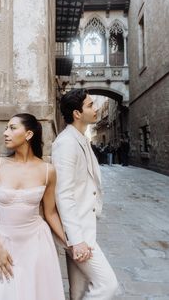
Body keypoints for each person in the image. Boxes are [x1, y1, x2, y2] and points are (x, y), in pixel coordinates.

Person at [0, 113, 66, 300]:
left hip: (37, 243)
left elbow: (50, 213)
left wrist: (70, 243)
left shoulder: (47, 171)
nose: (5, 133)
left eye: (12, 128)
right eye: (5, 128)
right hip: (3, 243)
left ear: (28, 134)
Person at [52, 89, 118, 300]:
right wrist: (76, 240)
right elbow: (63, 194)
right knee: (107, 285)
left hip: (84, 228)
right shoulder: (66, 143)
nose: (96, 108)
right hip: (78, 234)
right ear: (77, 113)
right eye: (90, 105)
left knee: (78, 293)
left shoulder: (80, 139)